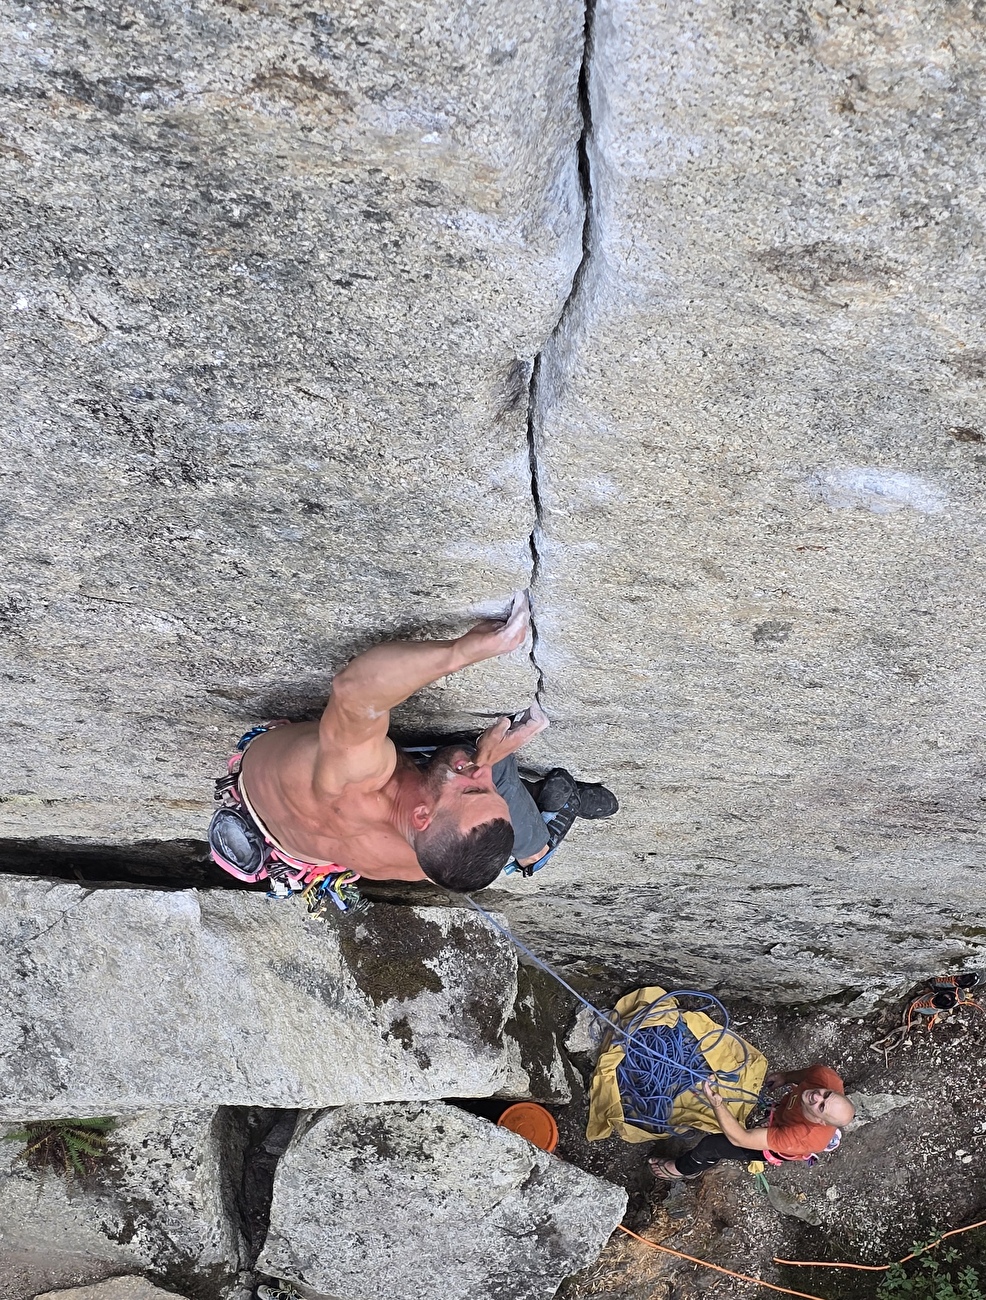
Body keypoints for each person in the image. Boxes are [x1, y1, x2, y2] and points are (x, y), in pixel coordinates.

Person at [208, 591, 617, 897]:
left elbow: (355, 694)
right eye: (484, 787)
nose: (480, 774)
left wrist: (460, 652)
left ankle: (535, 851)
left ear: (421, 817)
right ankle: (535, 848)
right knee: (489, 789)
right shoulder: (422, 859)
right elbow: (461, 852)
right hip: (298, 846)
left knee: (489, 777)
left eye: (474, 788)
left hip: (280, 806)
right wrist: (484, 763)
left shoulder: (358, 781)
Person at [649, 1064, 855, 1180]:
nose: (816, 1097)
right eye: (826, 1095)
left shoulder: (799, 1136)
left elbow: (740, 1138)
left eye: (821, 1106)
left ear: (820, 1120)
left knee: (712, 1146)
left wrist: (717, 1104)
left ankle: (685, 1169)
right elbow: (806, 1075)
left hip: (787, 1140)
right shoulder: (824, 1077)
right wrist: (785, 1076)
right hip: (787, 1116)